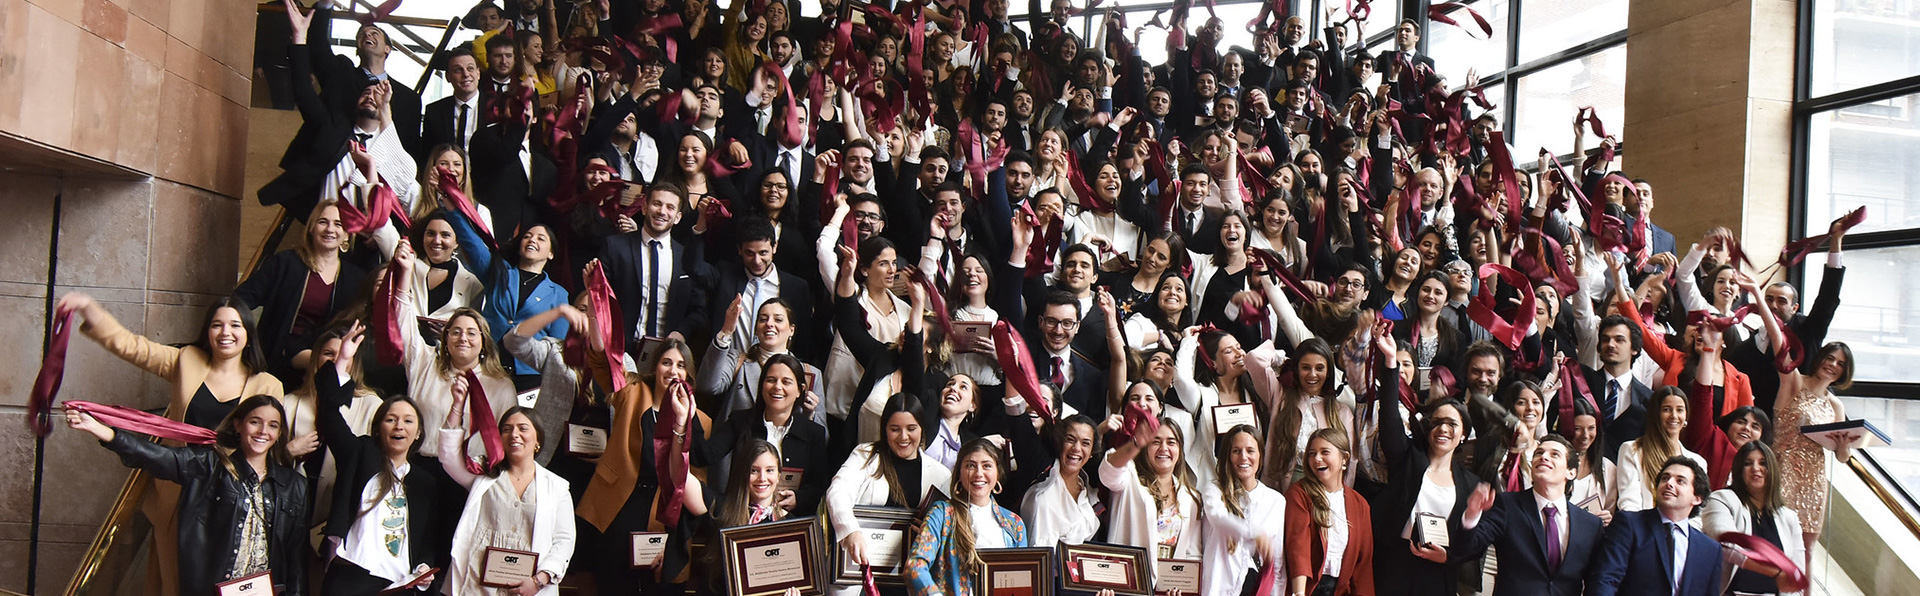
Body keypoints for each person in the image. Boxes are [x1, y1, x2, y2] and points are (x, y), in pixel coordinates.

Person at [56, 292, 292, 596]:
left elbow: (269, 441)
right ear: (207, 331)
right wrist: (88, 308)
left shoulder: (269, 384)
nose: (225, 333)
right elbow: (131, 346)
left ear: (248, 334)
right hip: (179, 487)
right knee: (176, 582)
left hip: (233, 497)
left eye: (235, 325)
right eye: (217, 325)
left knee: (228, 582)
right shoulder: (186, 360)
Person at [66, 396, 308, 596]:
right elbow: (157, 456)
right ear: (238, 425)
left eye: (273, 425)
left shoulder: (294, 485)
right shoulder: (210, 466)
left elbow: (296, 554)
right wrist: (100, 430)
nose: (263, 431)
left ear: (279, 433)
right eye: (255, 422)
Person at [311, 324, 459, 595]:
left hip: (399, 583)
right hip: (352, 574)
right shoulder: (360, 453)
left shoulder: (425, 482)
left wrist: (424, 566)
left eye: (407, 421)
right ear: (379, 427)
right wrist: (343, 360)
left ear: (418, 434)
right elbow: (329, 415)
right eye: (390, 419)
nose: (399, 426)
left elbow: (426, 538)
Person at [390, 240, 523, 462]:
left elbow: (506, 439)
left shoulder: (500, 385)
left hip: (471, 473)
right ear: (446, 337)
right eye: (456, 332)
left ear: (484, 342)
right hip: (419, 464)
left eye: (472, 333)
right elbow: (403, 323)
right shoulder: (425, 363)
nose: (463, 338)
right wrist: (404, 273)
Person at [1753, 292, 1853, 581]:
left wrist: (1844, 446)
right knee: (1774, 543)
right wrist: (1759, 297)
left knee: (1807, 551)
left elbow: (1843, 457)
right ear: (1820, 358)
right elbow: (1779, 342)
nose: (1833, 365)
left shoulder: (1836, 405)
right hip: (1781, 471)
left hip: (1815, 480)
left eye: (1841, 364)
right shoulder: (1794, 381)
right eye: (1830, 358)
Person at [1437, 435, 1603, 596]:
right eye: (1539, 453)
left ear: (1571, 473)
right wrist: (1471, 516)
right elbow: (1466, 550)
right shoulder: (1507, 506)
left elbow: (1597, 579)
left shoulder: (1590, 524)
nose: (1544, 457)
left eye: (1555, 455)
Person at [439, 403, 576, 596]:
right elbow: (449, 457)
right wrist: (457, 406)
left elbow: (564, 541)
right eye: (506, 429)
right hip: (477, 584)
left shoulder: (557, 486)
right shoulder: (482, 473)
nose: (514, 434)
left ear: (538, 439)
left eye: (523, 428)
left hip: (529, 587)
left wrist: (538, 581)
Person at [233, 199, 369, 384]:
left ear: (346, 235)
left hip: (326, 365)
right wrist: (245, 340)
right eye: (323, 222)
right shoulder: (283, 264)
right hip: (274, 360)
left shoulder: (356, 278)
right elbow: (241, 300)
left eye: (338, 224)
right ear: (311, 228)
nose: (330, 229)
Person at [826, 394, 952, 579]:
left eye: (911, 429)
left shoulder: (940, 474)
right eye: (895, 429)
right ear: (884, 429)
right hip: (859, 567)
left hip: (911, 572)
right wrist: (851, 531)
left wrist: (931, 531)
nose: (903, 437)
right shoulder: (865, 455)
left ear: (922, 429)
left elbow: (949, 525)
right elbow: (838, 491)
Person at [691, 353, 834, 516]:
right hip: (740, 517)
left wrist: (798, 499)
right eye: (771, 380)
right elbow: (703, 456)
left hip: (789, 523)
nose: (777, 387)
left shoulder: (813, 433)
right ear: (762, 385)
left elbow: (819, 484)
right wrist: (689, 414)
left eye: (786, 382)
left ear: (799, 390)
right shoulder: (741, 421)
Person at [904, 439, 1028, 596]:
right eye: (970, 465)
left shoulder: (1014, 523)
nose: (978, 474)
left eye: (987, 466)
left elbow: (1023, 581)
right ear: (959, 474)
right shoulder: (942, 514)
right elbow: (915, 566)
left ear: (998, 473)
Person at [1101, 384, 1205, 569]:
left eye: (1171, 442)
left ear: (1180, 451)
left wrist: (1180, 587)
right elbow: (1108, 471)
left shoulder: (1191, 497)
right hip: (1129, 584)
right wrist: (1136, 443)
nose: (1164, 448)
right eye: (1155, 442)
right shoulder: (1129, 478)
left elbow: (1192, 553)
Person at [1589, 458, 1726, 596]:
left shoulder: (1710, 550)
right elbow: (1605, 579)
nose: (1669, 483)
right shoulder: (1629, 524)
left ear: (1697, 498)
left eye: (1680, 481)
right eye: (1665, 478)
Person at [1702, 441, 1806, 596]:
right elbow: (1727, 545)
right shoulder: (1721, 499)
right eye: (1748, 463)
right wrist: (1776, 573)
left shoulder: (1789, 517)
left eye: (1763, 463)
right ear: (1738, 470)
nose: (1756, 468)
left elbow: (1797, 577)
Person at [1283, 429, 1375, 596]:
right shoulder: (1299, 494)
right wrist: (1298, 593)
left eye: (1324, 452)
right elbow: (1298, 548)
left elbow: (1363, 567)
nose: (1317, 459)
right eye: (1312, 454)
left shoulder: (1360, 504)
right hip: (1307, 588)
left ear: (1344, 458)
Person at [1201, 425, 1287, 596]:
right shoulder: (1213, 490)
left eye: (1250, 450)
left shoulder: (1276, 500)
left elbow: (1276, 563)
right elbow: (1219, 518)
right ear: (1227, 455)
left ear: (1260, 455)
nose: (1244, 457)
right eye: (1236, 451)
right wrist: (1255, 535)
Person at [1616, 388, 1711, 512]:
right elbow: (1629, 503)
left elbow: (1698, 512)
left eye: (1680, 410)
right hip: (1643, 527)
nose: (1674, 416)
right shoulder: (1632, 450)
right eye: (1667, 409)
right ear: (1655, 414)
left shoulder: (1698, 462)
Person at [1020, 414, 1102, 547]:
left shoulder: (1090, 493)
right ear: (1059, 442)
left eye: (1085, 443)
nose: (1076, 448)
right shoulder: (1042, 484)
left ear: (1092, 451)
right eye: (1070, 440)